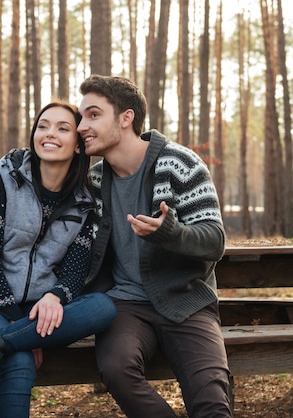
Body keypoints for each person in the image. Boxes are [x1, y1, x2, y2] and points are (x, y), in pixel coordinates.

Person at [0, 101, 117, 416]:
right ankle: (1, 341)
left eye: (63, 128)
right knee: (17, 359)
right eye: (43, 126)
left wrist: (55, 296)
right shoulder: (5, 178)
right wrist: (22, 330)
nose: (49, 134)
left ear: (77, 146)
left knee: (103, 307)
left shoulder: (85, 203)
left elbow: (75, 270)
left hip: (38, 309)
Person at [77, 74, 233, 417]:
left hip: (186, 300)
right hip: (126, 306)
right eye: (81, 117)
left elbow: (215, 241)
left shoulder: (180, 163)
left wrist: (171, 234)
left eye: (92, 115)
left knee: (211, 400)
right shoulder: (95, 180)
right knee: (117, 370)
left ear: (126, 117)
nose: (80, 127)